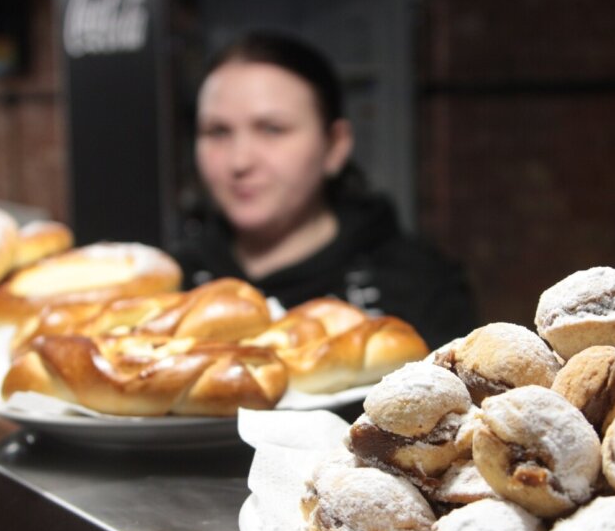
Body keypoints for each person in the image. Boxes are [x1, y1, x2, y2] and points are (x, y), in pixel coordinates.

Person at [173, 31, 477, 349]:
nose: (240, 161)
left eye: (272, 129)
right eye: (217, 131)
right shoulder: (167, 291)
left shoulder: (419, 285)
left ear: (334, 146)